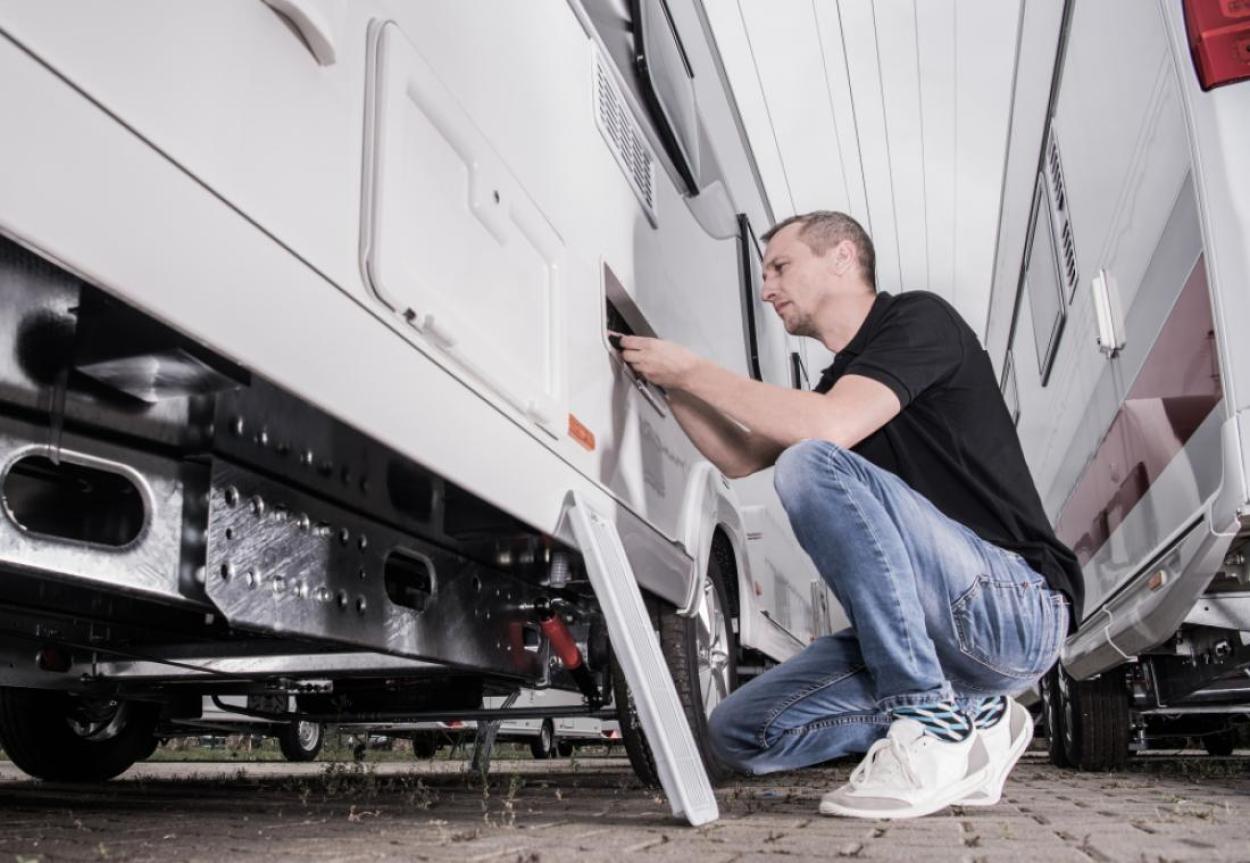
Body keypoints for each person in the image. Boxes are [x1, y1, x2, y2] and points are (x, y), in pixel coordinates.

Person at [617, 210, 1081, 820]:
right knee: (737, 731)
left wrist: (694, 369)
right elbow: (737, 455)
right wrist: (671, 383)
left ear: (841, 256)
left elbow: (825, 430)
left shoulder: (920, 320)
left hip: (1016, 607)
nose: (766, 288)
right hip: (943, 637)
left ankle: (929, 723)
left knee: (809, 462)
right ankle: (981, 715)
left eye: (780, 266)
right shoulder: (840, 382)